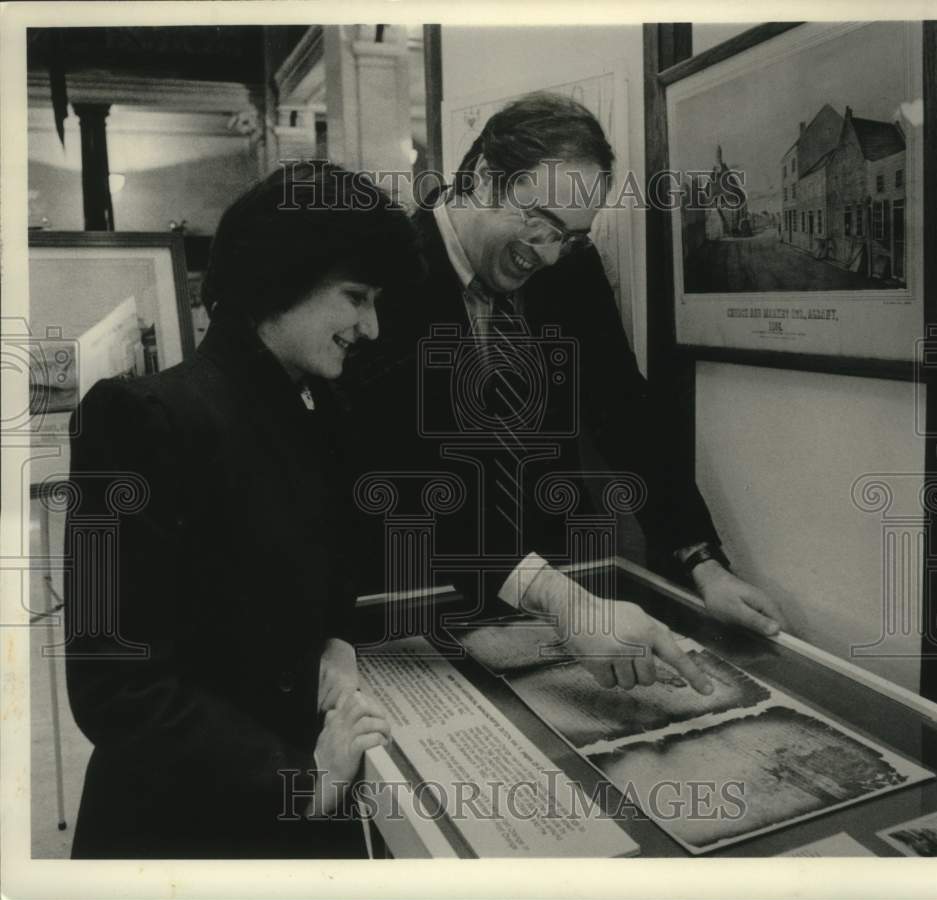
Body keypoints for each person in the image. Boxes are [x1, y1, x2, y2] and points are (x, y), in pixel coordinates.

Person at [346, 92, 784, 694]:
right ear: (480, 179)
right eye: (541, 223)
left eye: (569, 237)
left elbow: (626, 414)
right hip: (412, 599)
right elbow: (399, 473)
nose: (549, 254)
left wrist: (701, 563)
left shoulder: (571, 271)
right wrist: (560, 599)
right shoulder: (385, 275)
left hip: (559, 596)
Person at [63, 163, 422, 858]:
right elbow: (115, 683)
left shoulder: (316, 409)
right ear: (280, 279)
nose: (372, 327)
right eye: (356, 296)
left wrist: (336, 640)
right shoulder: (139, 420)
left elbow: (331, 564)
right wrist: (301, 781)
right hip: (188, 826)